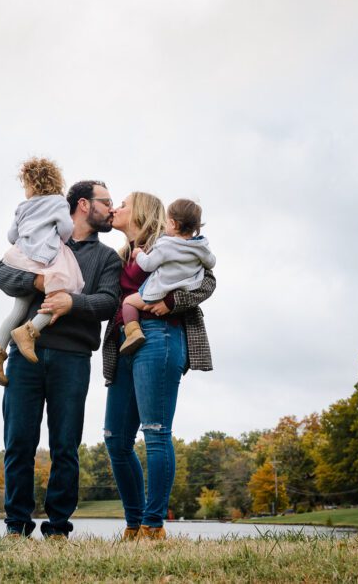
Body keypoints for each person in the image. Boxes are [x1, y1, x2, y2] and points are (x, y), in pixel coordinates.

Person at [0, 180, 122, 539]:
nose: (112, 208)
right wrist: (39, 282)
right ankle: (16, 525)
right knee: (18, 442)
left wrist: (71, 302)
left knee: (65, 445)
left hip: (73, 358)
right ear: (83, 204)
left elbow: (109, 302)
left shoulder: (106, 258)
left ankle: (58, 528)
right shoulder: (43, 237)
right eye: (106, 201)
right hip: (24, 356)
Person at [102, 192, 217, 540]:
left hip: (160, 336)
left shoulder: (167, 244)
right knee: (115, 439)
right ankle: (134, 523)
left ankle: (154, 525)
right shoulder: (121, 257)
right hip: (124, 340)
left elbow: (209, 281)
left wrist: (171, 301)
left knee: (155, 431)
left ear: (141, 212)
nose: (115, 208)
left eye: (123, 203)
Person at [0, 158, 85, 386]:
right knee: (62, 293)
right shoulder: (58, 202)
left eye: (25, 184)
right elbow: (66, 229)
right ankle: (30, 330)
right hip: (47, 257)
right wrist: (57, 235)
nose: (25, 189)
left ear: (34, 184)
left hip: (22, 258)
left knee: (18, 308)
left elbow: (11, 236)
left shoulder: (22, 207)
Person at [118, 198, 216, 356]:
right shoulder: (200, 247)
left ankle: (133, 332)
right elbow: (211, 262)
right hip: (181, 290)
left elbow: (148, 265)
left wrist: (139, 255)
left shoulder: (164, 245)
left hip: (158, 302)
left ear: (173, 224)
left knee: (128, 302)